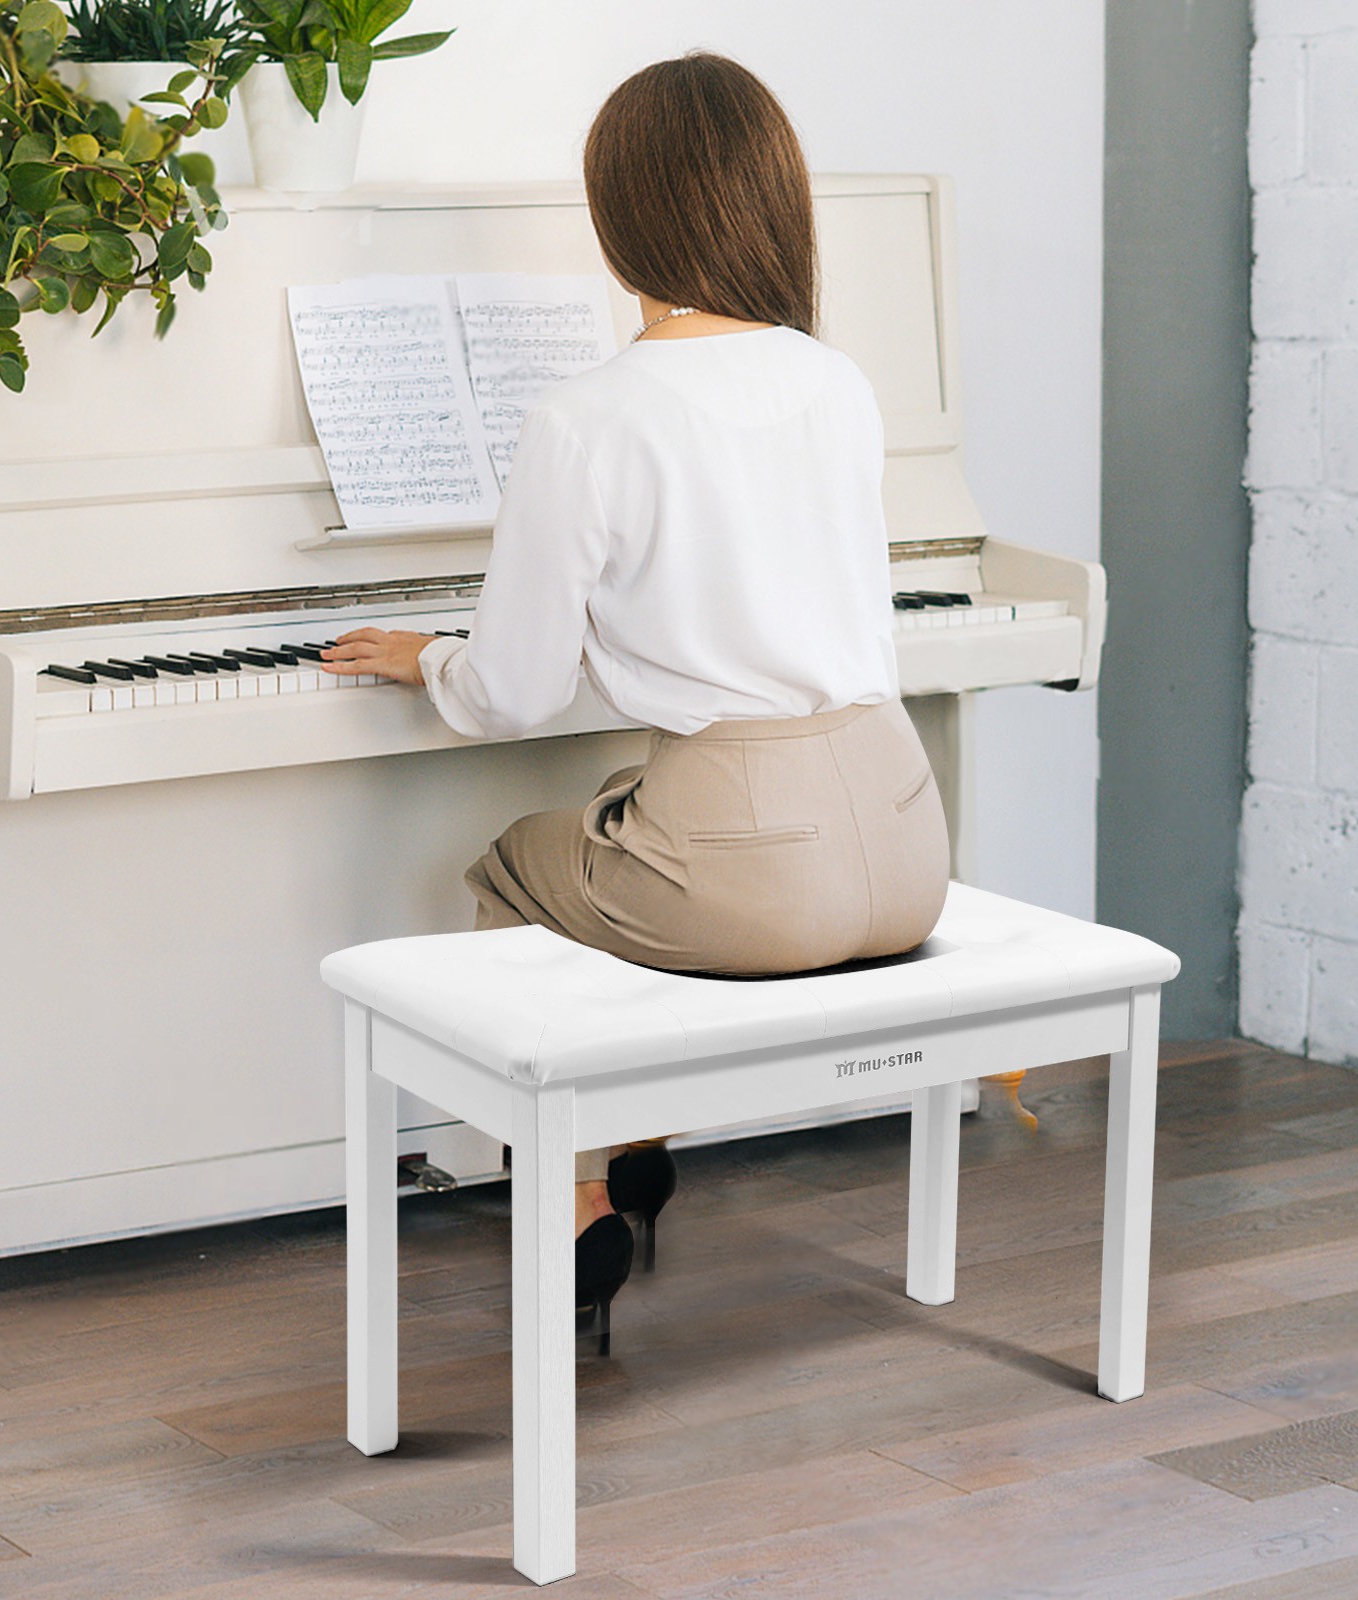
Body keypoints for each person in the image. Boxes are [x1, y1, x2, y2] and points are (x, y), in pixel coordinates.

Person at [319, 51, 951, 1348]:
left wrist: (426, 655)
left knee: (512, 869)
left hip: (756, 860)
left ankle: (574, 1192)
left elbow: (509, 692)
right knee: (625, 820)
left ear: (620, 221)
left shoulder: (591, 414)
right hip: (902, 834)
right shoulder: (837, 383)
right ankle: (639, 1150)